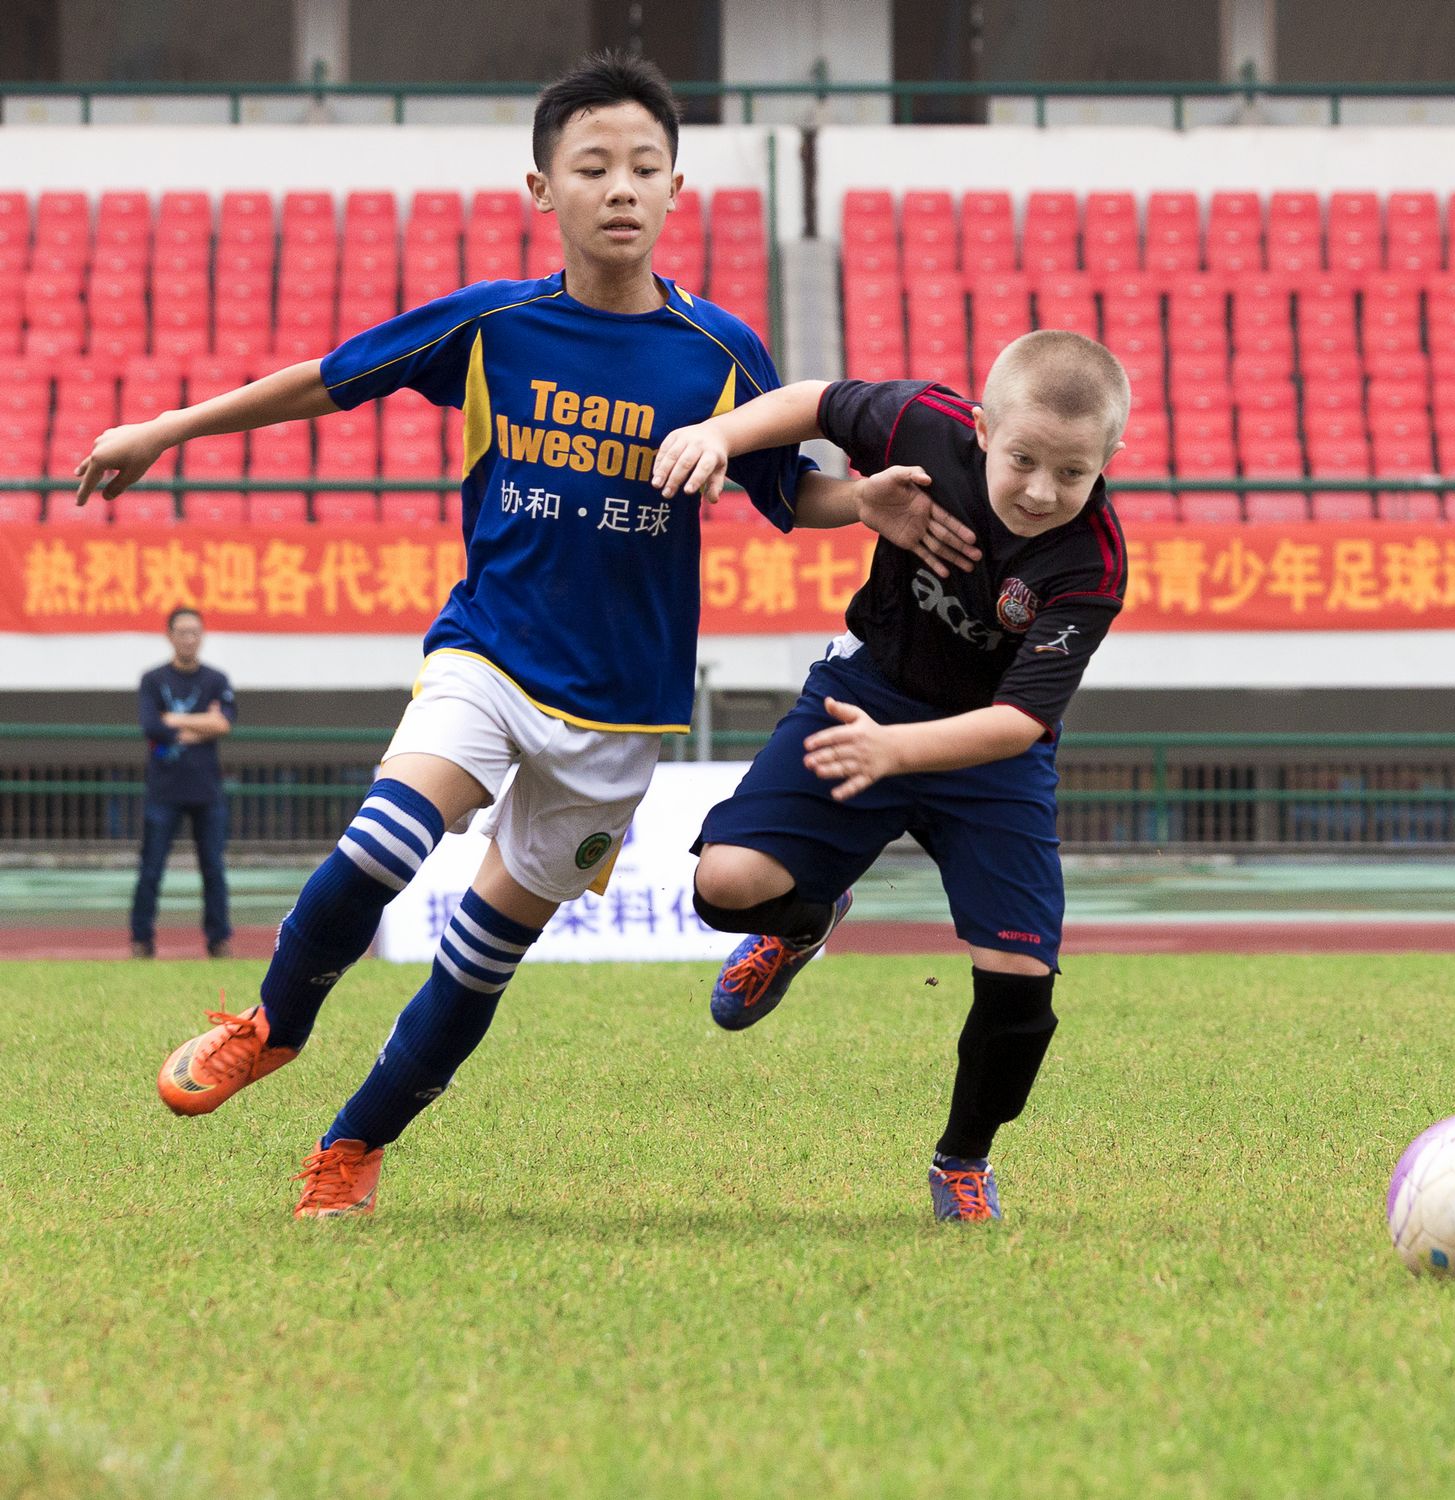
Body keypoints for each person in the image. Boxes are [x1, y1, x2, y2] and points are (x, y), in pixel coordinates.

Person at [72, 51, 968, 1220]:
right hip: (487, 654)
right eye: (591, 166)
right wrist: (165, 428)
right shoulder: (494, 323)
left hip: (622, 711)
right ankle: (273, 1025)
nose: (620, 187)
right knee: (382, 844)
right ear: (542, 188)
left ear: (677, 189)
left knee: (480, 957)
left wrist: (863, 503)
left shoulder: (720, 352)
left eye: (643, 166)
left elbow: (784, 495)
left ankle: (350, 1148)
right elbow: (327, 381)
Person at [649, 329, 1131, 1222]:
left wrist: (895, 752)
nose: (1040, 491)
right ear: (981, 429)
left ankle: (963, 1161)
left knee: (1021, 988)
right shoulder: (921, 423)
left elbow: (1020, 721)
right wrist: (719, 435)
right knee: (724, 887)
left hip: (989, 752)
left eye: (1072, 473)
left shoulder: (1091, 561)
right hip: (865, 688)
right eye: (1023, 460)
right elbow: (813, 402)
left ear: (1109, 460)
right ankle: (803, 925)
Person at [130, 606, 237, 959]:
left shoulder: (216, 679)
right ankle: (141, 940)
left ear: (202, 636)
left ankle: (218, 940)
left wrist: (175, 719)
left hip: (207, 790)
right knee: (151, 868)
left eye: (195, 632)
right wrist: (203, 723)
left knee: (213, 869)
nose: (189, 639)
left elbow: (224, 724)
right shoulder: (153, 679)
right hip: (164, 790)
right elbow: (151, 726)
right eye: (182, 632)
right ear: (170, 636)